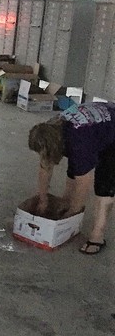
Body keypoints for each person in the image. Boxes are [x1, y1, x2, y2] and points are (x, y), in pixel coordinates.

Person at [28, 102, 115, 255]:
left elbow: (84, 183)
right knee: (76, 168)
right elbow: (45, 165)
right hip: (95, 126)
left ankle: (97, 236)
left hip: (112, 134)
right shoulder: (50, 129)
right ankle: (66, 203)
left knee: (104, 185)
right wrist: (43, 199)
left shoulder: (78, 142)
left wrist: (73, 212)